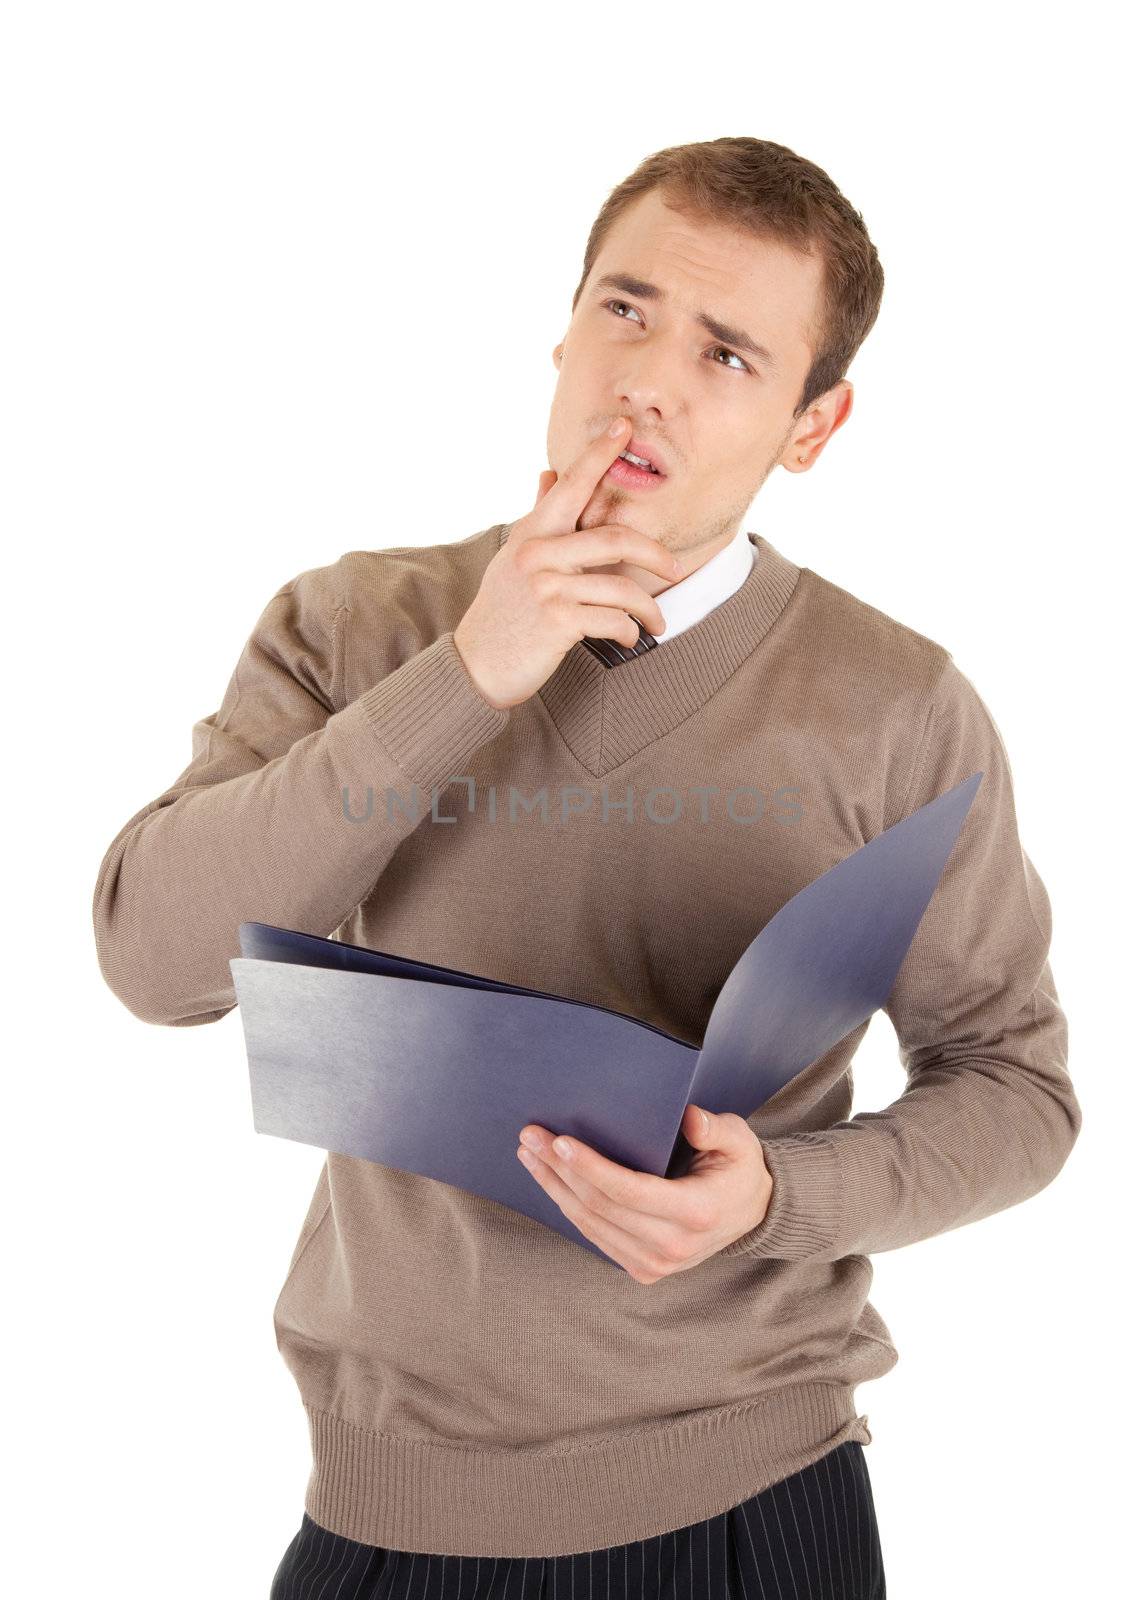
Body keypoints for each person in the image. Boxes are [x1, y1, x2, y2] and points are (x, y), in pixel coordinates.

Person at [92, 136, 1080, 1598]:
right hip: (388, 1504)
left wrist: (776, 1200)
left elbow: (1014, 1086)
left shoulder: (898, 705)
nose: (649, 381)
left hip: (756, 1497)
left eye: (729, 354)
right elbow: (151, 964)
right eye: (623, 310)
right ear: (561, 328)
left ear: (814, 426)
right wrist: (466, 676)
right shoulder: (356, 624)